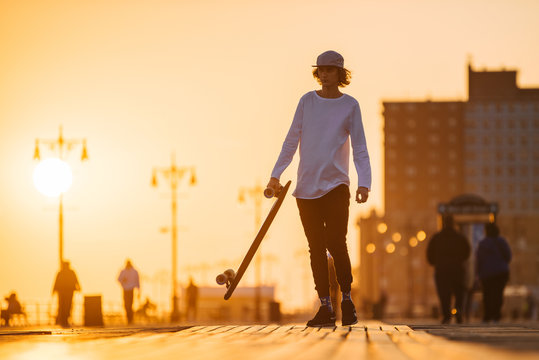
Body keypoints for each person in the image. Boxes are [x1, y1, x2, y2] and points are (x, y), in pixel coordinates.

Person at [267, 50, 371, 327]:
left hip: (337, 185)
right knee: (315, 248)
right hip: (306, 189)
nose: (323, 74)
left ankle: (346, 299)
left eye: (329, 70)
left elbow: (360, 147)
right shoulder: (306, 102)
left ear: (340, 74)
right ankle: (325, 306)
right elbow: (291, 141)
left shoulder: (350, 106)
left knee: (337, 242)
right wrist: (275, 175)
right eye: (320, 70)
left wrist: (365, 183)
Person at [426, 216, 470, 324]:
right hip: (457, 269)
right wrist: (460, 260)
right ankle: (458, 311)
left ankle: (446, 315)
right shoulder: (460, 237)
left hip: (442, 269)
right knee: (459, 292)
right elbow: (467, 250)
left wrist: (434, 262)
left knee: (444, 293)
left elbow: (429, 253)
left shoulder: (437, 237)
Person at [476, 223, 511, 323]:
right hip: (501, 272)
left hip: (486, 274)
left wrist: (478, 273)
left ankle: (487, 315)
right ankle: (496, 315)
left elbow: (479, 259)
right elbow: (508, 256)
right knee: (498, 294)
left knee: (487, 294)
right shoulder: (502, 241)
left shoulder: (482, 244)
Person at [53, 261, 81, 327]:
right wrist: (79, 287)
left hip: (67, 292)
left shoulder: (64, 272)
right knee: (64, 306)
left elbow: (76, 280)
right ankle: (63, 320)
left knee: (67, 306)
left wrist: (54, 290)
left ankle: (64, 319)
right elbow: (56, 281)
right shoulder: (63, 272)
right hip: (65, 292)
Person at [117, 259, 140, 324]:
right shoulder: (123, 271)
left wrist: (138, 291)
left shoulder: (134, 272)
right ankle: (128, 318)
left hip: (131, 290)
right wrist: (122, 280)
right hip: (125, 289)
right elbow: (118, 279)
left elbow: (137, 281)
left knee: (130, 304)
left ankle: (130, 319)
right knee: (126, 304)